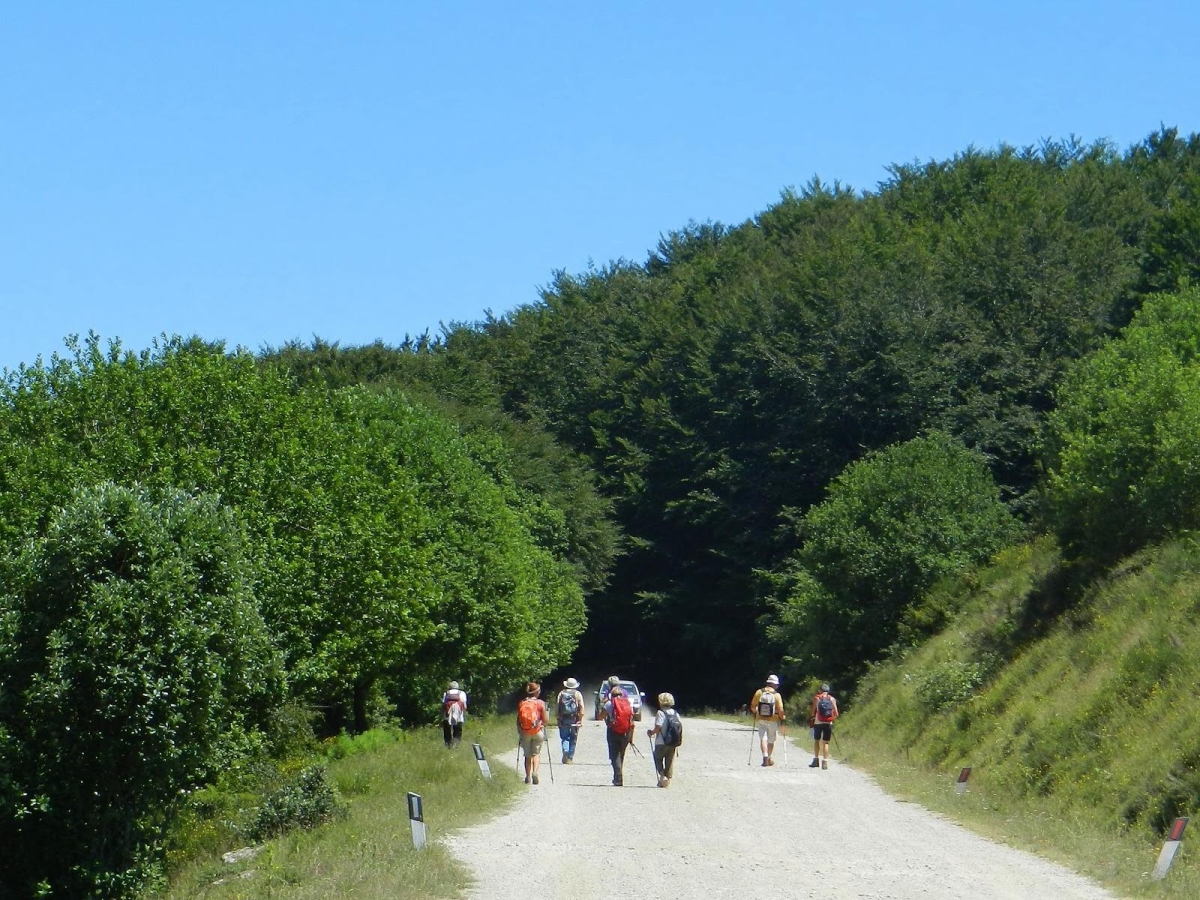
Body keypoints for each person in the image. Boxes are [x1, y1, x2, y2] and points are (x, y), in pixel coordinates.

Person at [602, 685, 636, 786]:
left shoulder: (609, 703)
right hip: (626, 732)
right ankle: (618, 775)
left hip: (613, 731)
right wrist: (631, 738)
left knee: (614, 755)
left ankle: (618, 778)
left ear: (611, 695)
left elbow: (600, 716)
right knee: (621, 754)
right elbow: (632, 723)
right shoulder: (628, 704)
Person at [646, 692, 682, 788]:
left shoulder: (660, 713)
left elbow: (658, 726)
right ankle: (668, 780)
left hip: (661, 741)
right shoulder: (676, 713)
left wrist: (651, 732)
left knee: (657, 758)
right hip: (673, 742)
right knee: (669, 761)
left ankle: (662, 777)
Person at [749, 674, 786, 767]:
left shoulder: (759, 692)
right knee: (771, 740)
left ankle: (765, 756)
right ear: (774, 684)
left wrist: (757, 712)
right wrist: (782, 717)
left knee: (763, 738)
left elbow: (752, 706)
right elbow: (780, 709)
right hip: (773, 720)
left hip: (761, 719)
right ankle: (769, 758)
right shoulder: (777, 695)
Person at [517, 682, 548, 785]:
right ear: (537, 692)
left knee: (527, 755)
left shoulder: (522, 703)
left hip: (525, 732)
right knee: (536, 753)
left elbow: (518, 720)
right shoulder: (540, 703)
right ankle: (535, 772)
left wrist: (520, 731)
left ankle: (527, 776)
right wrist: (543, 724)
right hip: (537, 731)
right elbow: (545, 720)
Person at [809, 683, 839, 769]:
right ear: (828, 691)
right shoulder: (832, 699)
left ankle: (816, 760)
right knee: (826, 742)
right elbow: (836, 713)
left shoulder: (817, 698)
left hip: (818, 722)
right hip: (828, 723)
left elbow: (812, 711)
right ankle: (825, 761)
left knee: (816, 740)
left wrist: (812, 717)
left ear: (820, 690)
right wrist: (831, 719)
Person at [556, 676, 585, 764]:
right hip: (574, 718)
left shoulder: (561, 693)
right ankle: (570, 758)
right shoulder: (577, 694)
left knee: (564, 737)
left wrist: (558, 718)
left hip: (564, 718)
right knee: (573, 738)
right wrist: (580, 719)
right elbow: (581, 708)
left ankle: (565, 750)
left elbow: (557, 707)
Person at [441, 681, 467, 748]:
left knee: (447, 732)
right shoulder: (462, 693)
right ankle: (456, 746)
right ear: (457, 687)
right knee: (457, 732)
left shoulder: (446, 693)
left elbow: (443, 706)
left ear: (450, 687)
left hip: (447, 716)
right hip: (458, 717)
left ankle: (448, 746)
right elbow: (465, 706)